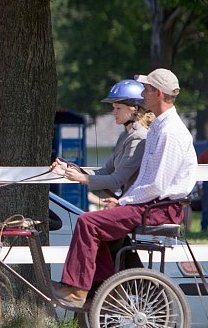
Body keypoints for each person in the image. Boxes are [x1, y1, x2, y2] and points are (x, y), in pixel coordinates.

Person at [50, 68, 198, 308]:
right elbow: (144, 180)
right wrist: (121, 200)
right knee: (96, 223)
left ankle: (77, 289)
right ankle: (104, 288)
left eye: (147, 90)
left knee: (88, 222)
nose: (143, 94)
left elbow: (157, 185)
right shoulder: (160, 128)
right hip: (151, 203)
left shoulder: (170, 132)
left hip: (159, 207)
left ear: (158, 93)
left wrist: (124, 201)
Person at [52, 79, 154, 200]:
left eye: (118, 108)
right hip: (127, 203)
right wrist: (69, 169)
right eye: (113, 108)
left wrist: (80, 178)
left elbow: (117, 181)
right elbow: (106, 171)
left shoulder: (138, 137)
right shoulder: (126, 135)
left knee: (86, 220)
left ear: (135, 109)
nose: (113, 112)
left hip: (137, 205)